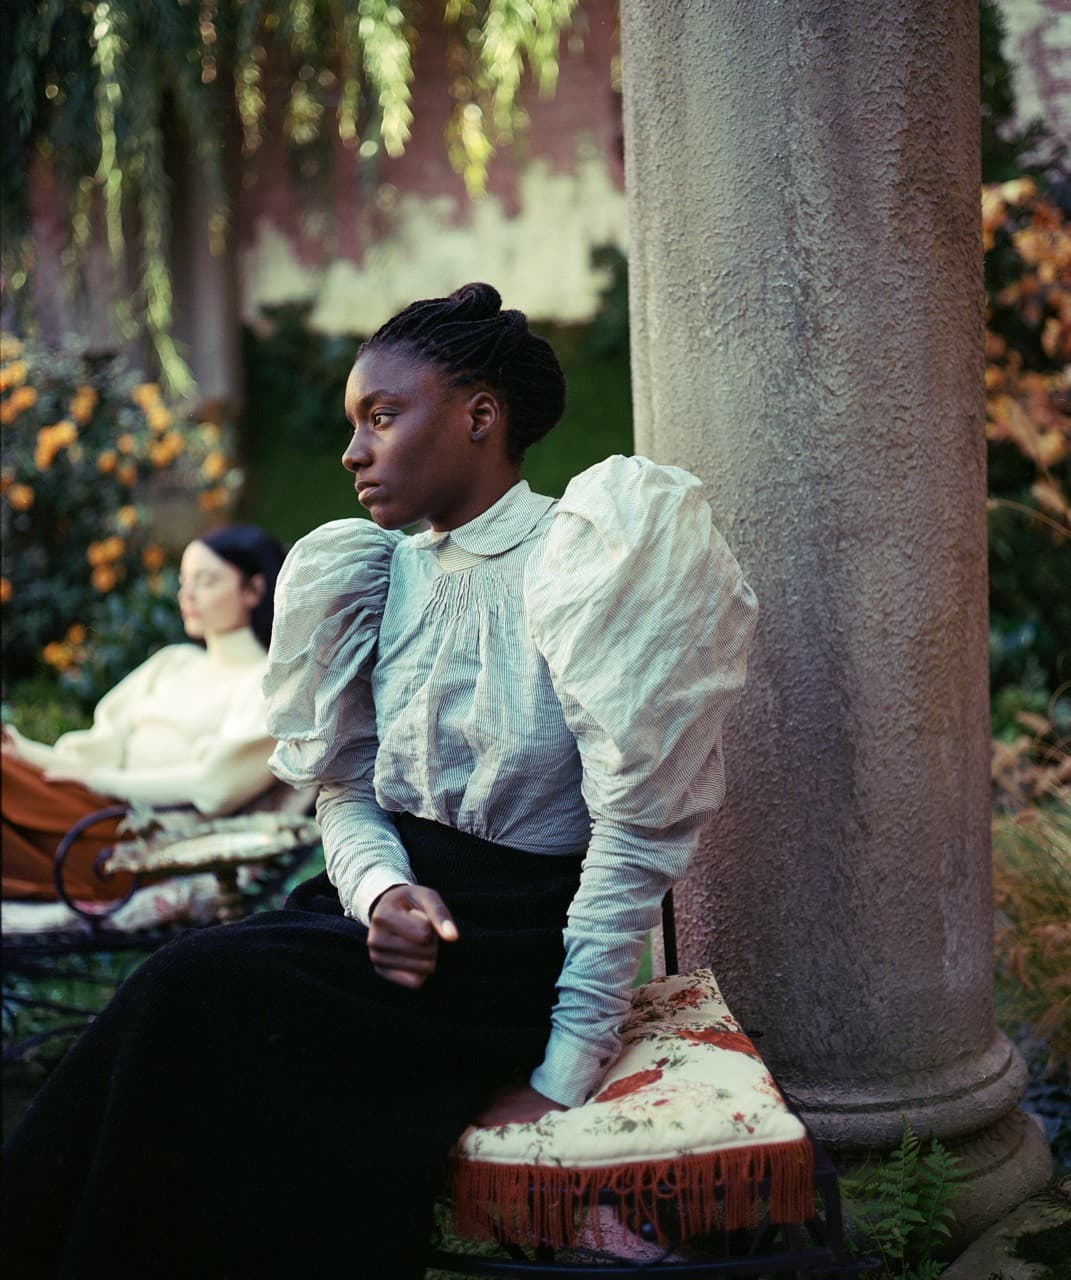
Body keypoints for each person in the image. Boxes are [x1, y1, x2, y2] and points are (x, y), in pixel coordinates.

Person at [4, 285, 758, 1278]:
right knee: (180, 999)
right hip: (383, 920)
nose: (353, 451)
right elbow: (346, 793)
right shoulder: (371, 577)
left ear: (480, 416)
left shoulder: (590, 559)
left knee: (190, 993)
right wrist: (381, 893)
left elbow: (633, 838)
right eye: (353, 423)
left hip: (513, 947)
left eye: (382, 416)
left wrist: (564, 1067)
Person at [1, 523, 286, 902]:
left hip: (137, 844)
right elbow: (95, 752)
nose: (187, 595)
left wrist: (100, 781)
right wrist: (23, 751)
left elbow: (214, 787)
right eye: (184, 582)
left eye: (205, 581)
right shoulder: (171, 663)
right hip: (86, 812)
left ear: (253, 589)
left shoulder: (264, 682)